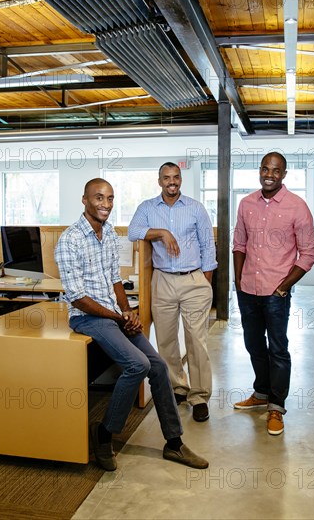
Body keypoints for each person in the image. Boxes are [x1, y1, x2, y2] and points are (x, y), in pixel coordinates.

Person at [55, 178, 208, 471]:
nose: (106, 204)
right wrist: (117, 317)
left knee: (159, 366)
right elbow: (77, 297)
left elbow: (115, 279)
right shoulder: (70, 239)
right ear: (84, 200)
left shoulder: (110, 233)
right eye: (99, 198)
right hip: (88, 318)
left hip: (113, 314)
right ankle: (104, 432)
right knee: (138, 365)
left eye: (110, 198)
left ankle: (174, 443)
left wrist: (128, 311)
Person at [232, 151, 314, 435]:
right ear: (259, 170)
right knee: (253, 345)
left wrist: (284, 286)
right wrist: (238, 281)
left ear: (284, 174)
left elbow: (309, 252)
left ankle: (276, 407)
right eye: (265, 169)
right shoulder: (246, 204)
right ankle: (261, 392)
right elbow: (239, 245)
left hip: (276, 293)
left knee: (277, 349)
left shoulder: (297, 207)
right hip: (248, 291)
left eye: (276, 170)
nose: (269, 174)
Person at [128, 162, 217, 423]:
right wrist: (161, 233)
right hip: (162, 280)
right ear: (159, 181)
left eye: (176, 177)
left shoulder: (195, 208)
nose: (172, 182)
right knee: (166, 340)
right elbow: (134, 232)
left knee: (196, 340)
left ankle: (199, 396)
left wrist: (204, 281)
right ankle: (178, 387)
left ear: (180, 179)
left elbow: (207, 246)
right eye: (166, 178)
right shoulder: (147, 208)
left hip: (193, 279)